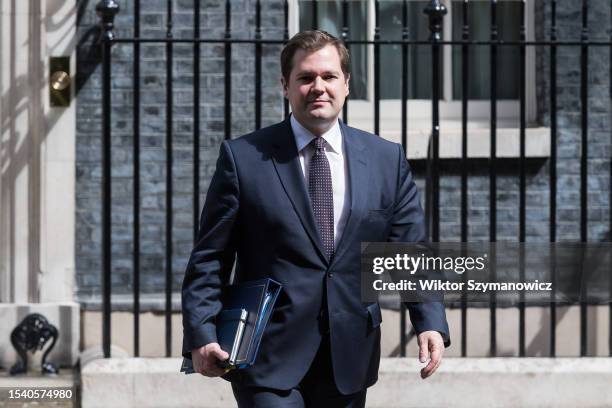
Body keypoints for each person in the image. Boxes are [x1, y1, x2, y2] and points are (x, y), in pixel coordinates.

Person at [181, 30, 450, 408]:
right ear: (285, 86)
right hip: (266, 356)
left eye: (328, 77)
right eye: (306, 78)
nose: (318, 87)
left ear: (346, 85)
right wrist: (201, 332)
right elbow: (210, 256)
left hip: (350, 354)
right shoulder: (243, 159)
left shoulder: (385, 160)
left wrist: (430, 322)